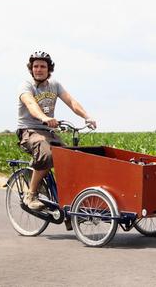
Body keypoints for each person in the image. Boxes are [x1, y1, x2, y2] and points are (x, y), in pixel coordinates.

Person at [17, 51, 97, 210]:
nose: (38, 69)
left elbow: (71, 101)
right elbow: (31, 105)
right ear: (31, 68)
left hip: (48, 132)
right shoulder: (26, 86)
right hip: (29, 130)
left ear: (49, 69)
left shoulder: (55, 85)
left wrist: (87, 116)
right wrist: (44, 118)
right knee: (47, 154)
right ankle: (31, 194)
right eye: (35, 66)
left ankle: (68, 206)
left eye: (42, 66)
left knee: (69, 158)